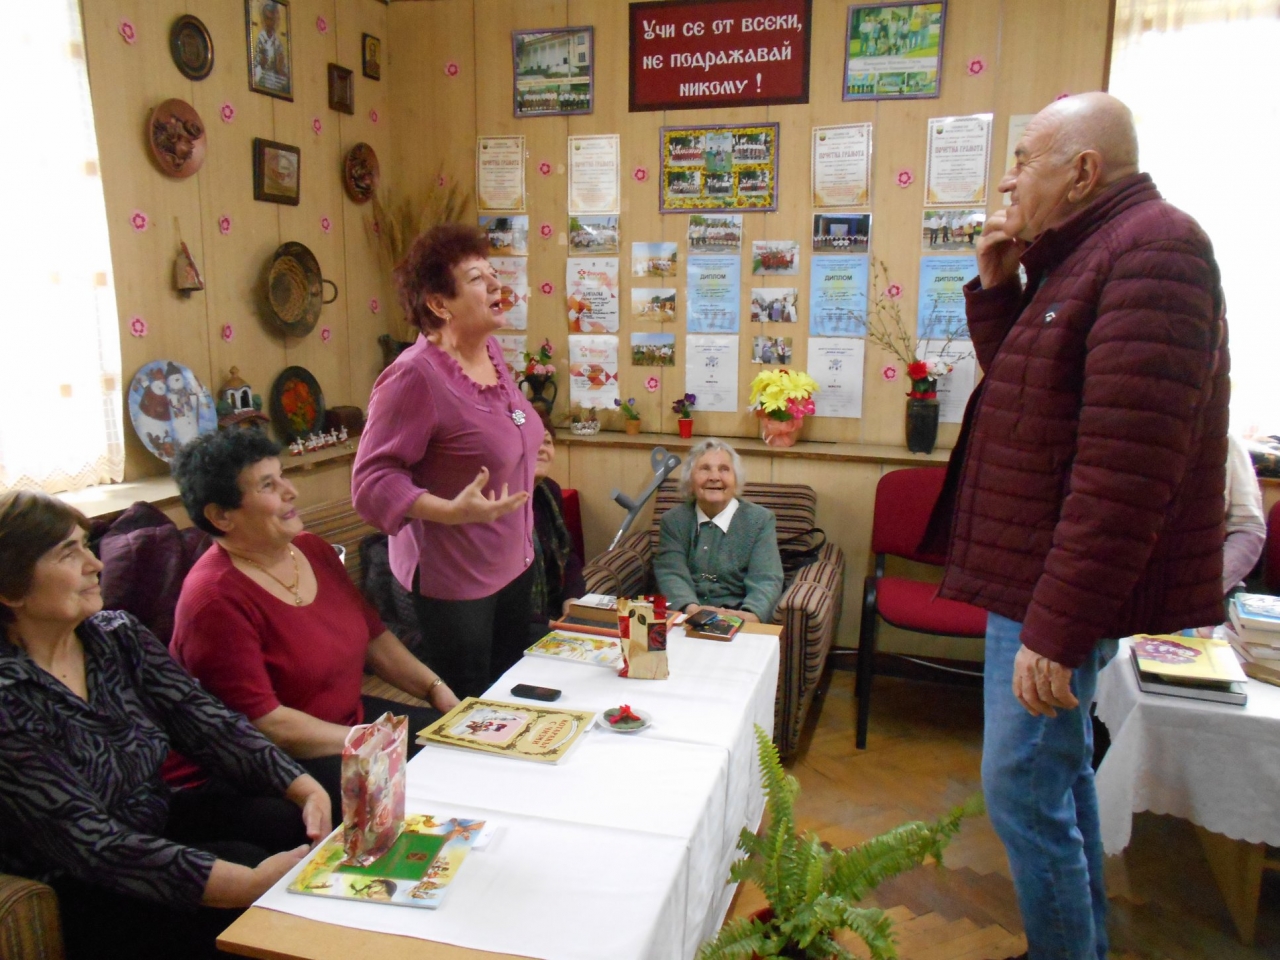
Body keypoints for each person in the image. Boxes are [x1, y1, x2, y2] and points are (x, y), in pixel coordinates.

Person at [921, 92, 1229, 960]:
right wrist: (998, 290)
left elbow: (1123, 475)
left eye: (1024, 159)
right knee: (1053, 778)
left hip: (1050, 587)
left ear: (1084, 171)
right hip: (1036, 574)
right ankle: (1079, 944)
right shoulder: (1089, 255)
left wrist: (1056, 627)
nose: (1009, 180)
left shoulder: (1157, 250)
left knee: (1021, 788)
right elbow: (1033, 403)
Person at [0, 491, 330, 960]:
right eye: (68, 554)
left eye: (86, 546)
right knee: (250, 875)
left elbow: (207, 723)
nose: (95, 564)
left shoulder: (115, 636)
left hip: (153, 816)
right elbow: (88, 840)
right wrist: (246, 884)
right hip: (81, 878)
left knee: (287, 818)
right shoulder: (9, 697)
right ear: (11, 589)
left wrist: (303, 787)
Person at [170, 430, 457, 816]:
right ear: (221, 516)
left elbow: (375, 639)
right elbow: (268, 725)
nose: (291, 491)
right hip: (274, 762)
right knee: (423, 799)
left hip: (347, 725)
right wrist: (367, 740)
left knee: (457, 748)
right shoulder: (214, 600)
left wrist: (436, 690)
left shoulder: (310, 549)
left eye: (283, 476)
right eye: (268, 485)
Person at [352, 223, 542, 700]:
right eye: (477, 278)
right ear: (439, 304)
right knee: (472, 712)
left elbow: (507, 420)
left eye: (493, 272)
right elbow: (372, 481)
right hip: (456, 581)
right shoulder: (413, 377)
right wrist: (449, 511)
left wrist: (530, 445)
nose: (496, 284)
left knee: (511, 698)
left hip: (514, 561)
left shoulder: (490, 353)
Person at [654, 439, 784, 624]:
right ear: (690, 480)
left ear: (736, 480)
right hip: (686, 616)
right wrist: (693, 611)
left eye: (724, 469)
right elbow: (671, 573)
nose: (714, 477)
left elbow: (766, 579)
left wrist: (750, 615)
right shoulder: (674, 520)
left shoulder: (760, 520)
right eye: (705, 469)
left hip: (740, 617)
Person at [529, 411, 585, 638]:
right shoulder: (500, 500)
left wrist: (571, 599)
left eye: (547, 442)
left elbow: (567, 554)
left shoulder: (548, 492)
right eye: (533, 440)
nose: (542, 449)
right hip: (517, 624)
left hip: (553, 615)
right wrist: (548, 624)